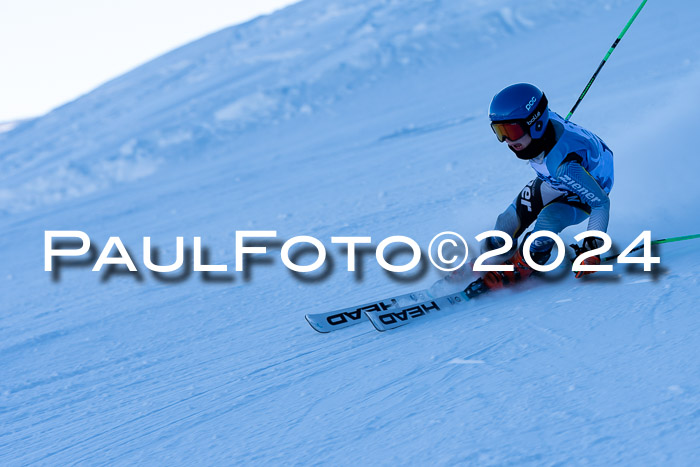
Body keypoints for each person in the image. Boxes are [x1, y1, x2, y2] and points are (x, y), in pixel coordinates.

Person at [481, 83, 614, 290]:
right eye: (500, 131)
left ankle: (525, 263)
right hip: (554, 181)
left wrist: (592, 249)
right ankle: (488, 260)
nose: (507, 141)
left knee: (548, 219)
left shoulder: (562, 165)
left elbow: (600, 203)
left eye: (512, 131)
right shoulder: (541, 126)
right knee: (505, 223)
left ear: (536, 124)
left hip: (584, 190)